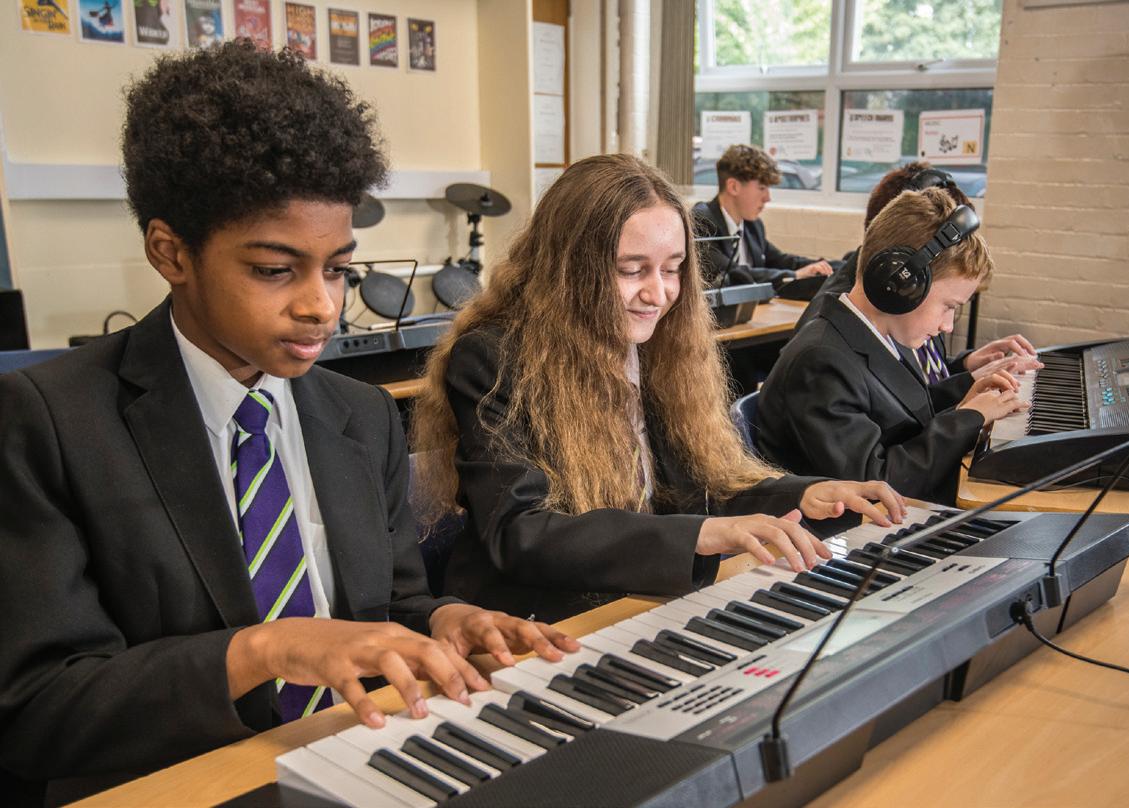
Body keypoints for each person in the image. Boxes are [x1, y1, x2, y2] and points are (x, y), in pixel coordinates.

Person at [0, 42, 574, 805]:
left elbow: (388, 606)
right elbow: (38, 712)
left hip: (365, 756)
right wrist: (263, 650)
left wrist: (444, 618)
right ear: (170, 253)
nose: (321, 306)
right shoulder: (49, 421)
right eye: (275, 270)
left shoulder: (360, 415)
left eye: (337, 268)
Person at [411, 153, 908, 624]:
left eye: (673, 269)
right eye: (631, 270)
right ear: (569, 270)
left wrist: (807, 492)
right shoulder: (492, 358)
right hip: (530, 615)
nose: (659, 293)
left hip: (635, 597)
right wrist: (700, 535)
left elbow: (700, 492)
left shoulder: (659, 348)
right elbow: (522, 533)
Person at [756, 187, 1032, 505]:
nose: (948, 325)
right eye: (948, 306)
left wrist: (969, 389)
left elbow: (904, 415)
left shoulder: (880, 335)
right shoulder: (820, 362)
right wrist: (969, 418)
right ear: (901, 284)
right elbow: (875, 483)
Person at [796, 162, 1038, 392]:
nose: (947, 326)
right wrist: (969, 404)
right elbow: (888, 398)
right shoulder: (885, 301)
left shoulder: (912, 298)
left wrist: (965, 365)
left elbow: (916, 380)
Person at [691, 144, 835, 289]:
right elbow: (733, 275)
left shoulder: (752, 225)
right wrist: (795, 275)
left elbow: (780, 261)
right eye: (761, 188)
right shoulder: (701, 221)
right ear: (733, 187)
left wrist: (825, 266)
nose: (767, 198)